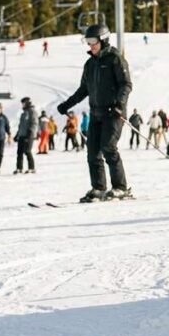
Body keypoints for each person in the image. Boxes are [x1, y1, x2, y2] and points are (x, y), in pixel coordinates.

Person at [57, 24, 133, 203]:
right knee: (92, 152)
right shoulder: (90, 64)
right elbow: (84, 89)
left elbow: (126, 84)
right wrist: (66, 105)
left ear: (103, 40)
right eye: (88, 41)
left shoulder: (115, 59)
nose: (90, 45)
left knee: (108, 147)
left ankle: (120, 188)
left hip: (113, 113)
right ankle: (99, 188)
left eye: (93, 41)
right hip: (96, 114)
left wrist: (119, 105)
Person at [14, 97, 37, 174]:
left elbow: (34, 123)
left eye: (23, 103)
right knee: (19, 152)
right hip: (21, 135)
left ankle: (32, 168)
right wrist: (17, 135)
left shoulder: (32, 111)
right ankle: (19, 168)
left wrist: (30, 133)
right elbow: (20, 126)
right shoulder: (23, 113)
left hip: (29, 135)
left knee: (27, 151)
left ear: (27, 103)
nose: (22, 105)